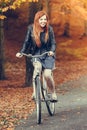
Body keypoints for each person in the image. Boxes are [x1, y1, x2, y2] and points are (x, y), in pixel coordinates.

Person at [16, 10, 57, 101]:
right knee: (37, 68)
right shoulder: (31, 28)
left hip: (47, 54)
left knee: (47, 75)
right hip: (36, 54)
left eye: (45, 19)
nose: (43, 21)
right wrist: (21, 52)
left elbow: (53, 43)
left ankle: (53, 93)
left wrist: (52, 51)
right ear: (37, 20)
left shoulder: (49, 29)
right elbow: (27, 42)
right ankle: (35, 92)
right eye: (41, 19)